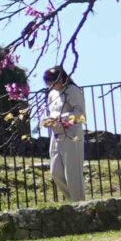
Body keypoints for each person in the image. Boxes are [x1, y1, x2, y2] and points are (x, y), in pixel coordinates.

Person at [43, 65, 87, 202]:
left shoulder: (72, 90)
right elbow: (52, 112)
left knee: (72, 173)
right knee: (55, 172)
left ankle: (78, 203)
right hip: (56, 135)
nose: (50, 85)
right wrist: (48, 120)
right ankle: (73, 201)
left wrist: (60, 119)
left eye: (52, 82)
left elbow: (80, 114)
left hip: (72, 134)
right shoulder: (51, 94)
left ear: (60, 79)